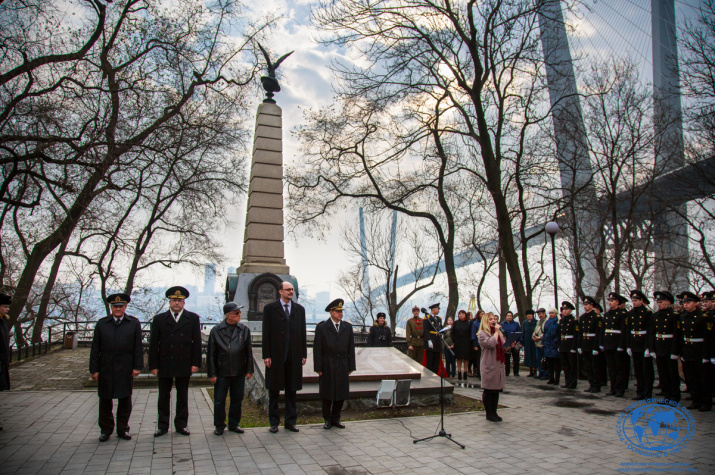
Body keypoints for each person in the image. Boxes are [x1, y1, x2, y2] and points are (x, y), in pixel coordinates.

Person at [149, 286, 202, 437]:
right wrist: (153, 365)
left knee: (182, 396)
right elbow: (154, 344)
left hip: (183, 362)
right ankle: (162, 426)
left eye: (179, 300)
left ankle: (181, 425)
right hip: (165, 362)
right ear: (169, 302)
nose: (176, 303)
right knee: (163, 396)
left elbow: (196, 343)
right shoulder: (160, 319)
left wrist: (195, 363)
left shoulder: (192, 318)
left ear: (184, 303)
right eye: (174, 300)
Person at [89, 293, 143, 442]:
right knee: (105, 400)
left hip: (125, 366)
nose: (118, 309)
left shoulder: (133, 323)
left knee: (125, 400)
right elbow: (95, 348)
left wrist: (137, 366)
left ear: (125, 307)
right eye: (115, 306)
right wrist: (94, 369)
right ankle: (105, 430)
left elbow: (138, 347)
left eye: (120, 306)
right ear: (111, 307)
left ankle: (122, 429)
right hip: (106, 366)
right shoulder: (102, 324)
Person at [262, 281, 307, 433]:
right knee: (274, 390)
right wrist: (266, 354)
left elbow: (302, 333)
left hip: (293, 356)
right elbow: (266, 333)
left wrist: (303, 354)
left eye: (292, 289)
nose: (291, 292)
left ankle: (290, 422)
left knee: (291, 390)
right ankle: (274, 422)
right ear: (280, 291)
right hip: (276, 356)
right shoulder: (270, 309)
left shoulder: (299, 309)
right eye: (288, 290)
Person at [207, 302, 254, 436]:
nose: (240, 315)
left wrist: (249, 370)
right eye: (237, 313)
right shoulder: (217, 330)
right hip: (222, 372)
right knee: (220, 400)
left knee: (237, 400)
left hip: (238, 371)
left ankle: (234, 424)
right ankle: (219, 425)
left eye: (240, 313)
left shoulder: (244, 330)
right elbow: (211, 353)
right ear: (228, 315)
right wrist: (212, 373)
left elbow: (248, 352)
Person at [314, 299, 356, 429]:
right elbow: (317, 349)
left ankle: (336, 418)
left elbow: (351, 348)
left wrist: (351, 366)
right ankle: (327, 419)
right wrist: (318, 367)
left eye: (341, 311)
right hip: (327, 364)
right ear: (331, 312)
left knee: (341, 393)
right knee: (327, 393)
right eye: (337, 311)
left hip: (342, 364)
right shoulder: (322, 327)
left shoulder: (347, 327)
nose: (340, 314)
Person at [674, 291, 711, 411]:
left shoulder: (703, 317)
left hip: (699, 351)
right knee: (691, 378)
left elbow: (708, 337)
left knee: (703, 379)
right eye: (685, 303)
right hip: (687, 350)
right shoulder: (682, 317)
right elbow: (679, 336)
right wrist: (680, 352)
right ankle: (695, 400)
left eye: (689, 302)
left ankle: (706, 402)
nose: (686, 305)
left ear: (695, 303)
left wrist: (706, 355)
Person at [648, 291, 680, 403]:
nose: (659, 304)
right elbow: (652, 333)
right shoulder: (655, 316)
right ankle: (666, 396)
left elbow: (677, 335)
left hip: (669, 347)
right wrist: (652, 349)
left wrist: (675, 351)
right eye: (658, 302)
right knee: (663, 374)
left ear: (668, 302)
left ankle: (674, 397)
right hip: (659, 347)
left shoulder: (674, 316)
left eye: (661, 302)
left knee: (672, 373)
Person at [478, 312, 509, 422]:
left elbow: (503, 347)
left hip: (498, 365)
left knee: (496, 390)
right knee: (489, 390)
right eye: (490, 319)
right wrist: (496, 332)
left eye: (494, 319)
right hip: (489, 364)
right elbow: (491, 344)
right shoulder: (482, 334)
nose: (493, 321)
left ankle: (494, 412)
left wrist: (509, 345)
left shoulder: (498, 333)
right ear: (486, 321)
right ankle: (489, 413)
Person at [626, 290, 654, 400]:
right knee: (638, 370)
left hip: (643, 343)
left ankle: (647, 393)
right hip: (635, 343)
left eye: (636, 300)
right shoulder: (631, 313)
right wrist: (629, 345)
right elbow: (629, 330)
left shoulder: (647, 313)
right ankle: (640, 392)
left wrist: (648, 347)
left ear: (642, 301)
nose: (634, 302)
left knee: (646, 370)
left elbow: (650, 331)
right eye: (633, 300)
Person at [601, 292, 628, 397]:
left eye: (612, 301)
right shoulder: (607, 315)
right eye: (609, 301)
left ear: (617, 302)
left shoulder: (622, 314)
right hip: (608, 344)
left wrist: (621, 345)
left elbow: (623, 331)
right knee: (611, 368)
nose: (610, 303)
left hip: (617, 344)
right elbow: (603, 330)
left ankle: (620, 389)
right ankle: (613, 388)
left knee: (619, 368)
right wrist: (602, 344)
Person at [578, 296, 602, 393]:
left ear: (592, 306)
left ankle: (597, 385)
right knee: (588, 366)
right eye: (584, 305)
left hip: (593, 344)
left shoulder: (596, 317)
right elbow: (580, 333)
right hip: (585, 344)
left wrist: (596, 347)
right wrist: (579, 345)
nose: (585, 306)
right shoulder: (582, 317)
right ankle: (591, 384)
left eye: (587, 305)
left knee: (595, 366)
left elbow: (598, 333)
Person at [558, 301, 578, 389]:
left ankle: (573, 382)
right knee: (565, 365)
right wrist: (559, 345)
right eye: (563, 309)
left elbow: (576, 335)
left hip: (570, 344)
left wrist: (574, 347)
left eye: (566, 309)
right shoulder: (561, 321)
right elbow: (559, 334)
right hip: (563, 344)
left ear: (570, 310)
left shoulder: (574, 321)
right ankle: (567, 381)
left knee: (572, 365)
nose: (564, 311)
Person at [452, 309, 472, 380]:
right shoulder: (456, 323)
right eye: (460, 314)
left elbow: (470, 333)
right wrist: (455, 341)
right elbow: (452, 333)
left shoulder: (468, 323)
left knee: (466, 358)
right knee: (459, 358)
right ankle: (459, 372)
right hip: (458, 343)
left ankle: (465, 371)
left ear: (465, 315)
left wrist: (469, 341)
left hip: (466, 343)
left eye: (462, 314)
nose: (461, 315)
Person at [423, 303, 443, 374]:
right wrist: (429, 340)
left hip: (437, 341)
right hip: (431, 340)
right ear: (433, 309)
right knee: (430, 361)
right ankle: (429, 376)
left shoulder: (439, 319)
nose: (438, 311)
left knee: (436, 361)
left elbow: (441, 329)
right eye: (438, 309)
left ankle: (435, 375)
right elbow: (425, 330)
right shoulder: (427, 318)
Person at [542, 308, 561, 385]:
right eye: (550, 313)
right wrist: (543, 342)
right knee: (550, 364)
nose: (551, 314)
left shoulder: (558, 322)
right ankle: (551, 378)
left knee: (556, 364)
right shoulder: (547, 322)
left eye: (552, 313)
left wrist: (557, 342)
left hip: (555, 344)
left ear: (556, 313)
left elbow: (558, 334)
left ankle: (557, 379)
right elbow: (545, 333)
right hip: (547, 345)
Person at [501, 311, 521, 376]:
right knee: (506, 358)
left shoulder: (516, 324)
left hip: (515, 343)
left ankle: (516, 372)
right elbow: (501, 332)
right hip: (507, 343)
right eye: (508, 316)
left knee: (516, 358)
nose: (509, 317)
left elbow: (519, 333)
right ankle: (506, 372)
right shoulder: (502, 324)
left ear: (512, 317)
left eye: (510, 316)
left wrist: (517, 341)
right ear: (506, 317)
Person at [532, 308, 549, 380]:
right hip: (537, 343)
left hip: (543, 343)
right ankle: (541, 373)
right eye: (538, 314)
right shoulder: (538, 322)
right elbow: (536, 330)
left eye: (541, 314)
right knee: (538, 359)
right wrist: (533, 336)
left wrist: (539, 338)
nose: (539, 316)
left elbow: (546, 332)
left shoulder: (547, 321)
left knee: (544, 360)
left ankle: (546, 374)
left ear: (544, 313)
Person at [522, 309, 538, 377]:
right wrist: (522, 341)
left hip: (534, 341)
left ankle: (535, 370)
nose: (529, 316)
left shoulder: (536, 322)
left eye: (530, 315)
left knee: (534, 356)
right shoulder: (524, 323)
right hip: (527, 341)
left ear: (532, 315)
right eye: (528, 315)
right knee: (528, 356)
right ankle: (530, 370)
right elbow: (523, 332)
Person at [470, 310, 483, 379]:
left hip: (484, 343)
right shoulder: (475, 323)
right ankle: (479, 373)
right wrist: (475, 344)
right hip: (478, 343)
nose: (482, 315)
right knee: (479, 359)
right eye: (481, 314)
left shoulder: (485, 323)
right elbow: (473, 334)